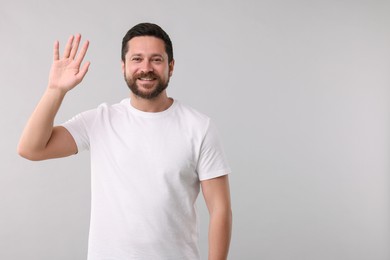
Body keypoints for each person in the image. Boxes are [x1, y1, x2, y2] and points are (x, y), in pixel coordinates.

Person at [18, 23, 232, 260]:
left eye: (156, 60)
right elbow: (31, 148)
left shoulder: (199, 127)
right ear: (124, 67)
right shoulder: (100, 121)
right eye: (137, 59)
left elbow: (220, 210)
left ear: (171, 67)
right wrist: (55, 90)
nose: (146, 68)